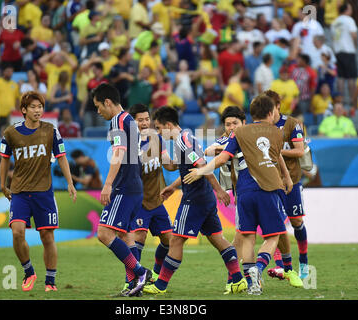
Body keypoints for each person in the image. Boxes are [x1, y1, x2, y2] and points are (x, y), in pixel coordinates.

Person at [183, 94, 294, 295]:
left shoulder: (238, 134)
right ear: (270, 113)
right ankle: (258, 270)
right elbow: (276, 157)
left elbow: (223, 156)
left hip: (243, 191)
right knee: (272, 237)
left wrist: (201, 170)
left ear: (249, 116)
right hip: (268, 187)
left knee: (247, 237)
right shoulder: (277, 133)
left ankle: (250, 284)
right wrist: (287, 177)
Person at [143, 106, 246, 295]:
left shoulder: (183, 141)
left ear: (167, 125)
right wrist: (173, 185)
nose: (157, 132)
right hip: (203, 197)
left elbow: (201, 165)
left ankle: (160, 286)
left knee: (175, 241)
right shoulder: (184, 138)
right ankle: (238, 280)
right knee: (218, 239)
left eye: (158, 128)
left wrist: (219, 190)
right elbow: (178, 166)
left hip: (195, 198)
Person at [0, 91, 77, 292]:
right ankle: (28, 271)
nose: (38, 110)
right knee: (17, 232)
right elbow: (4, 158)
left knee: (47, 237)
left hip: (44, 192)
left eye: (40, 106)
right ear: (23, 110)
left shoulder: (51, 130)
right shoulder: (10, 133)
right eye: (33, 107)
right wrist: (2, 184)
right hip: (20, 191)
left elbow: (61, 157)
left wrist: (70, 182)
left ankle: (50, 281)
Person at [92, 83, 152, 297]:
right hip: (135, 185)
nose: (98, 111)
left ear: (108, 102)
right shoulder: (129, 120)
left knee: (104, 233)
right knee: (126, 235)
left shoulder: (118, 120)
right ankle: (133, 285)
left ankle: (140, 272)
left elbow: (119, 152)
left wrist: (107, 184)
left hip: (124, 186)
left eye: (98, 106)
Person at [126, 103, 177, 294]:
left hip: (156, 201)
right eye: (141, 120)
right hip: (138, 201)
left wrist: (185, 161)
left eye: (147, 119)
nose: (145, 123)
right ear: (132, 122)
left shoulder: (156, 139)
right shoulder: (129, 144)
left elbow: (168, 164)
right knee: (139, 237)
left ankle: (154, 274)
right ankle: (130, 282)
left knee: (168, 240)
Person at [265, 89, 309, 281]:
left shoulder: (292, 124)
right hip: (270, 182)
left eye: (271, 109)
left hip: (291, 181)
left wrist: (277, 152)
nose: (268, 113)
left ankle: (304, 262)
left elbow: (299, 151)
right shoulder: (260, 126)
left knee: (296, 222)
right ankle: (281, 265)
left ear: (278, 107)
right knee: (275, 222)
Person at [331, 3, 358, 102]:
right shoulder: (349, 20)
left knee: (340, 77)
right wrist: (355, 45)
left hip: (338, 52)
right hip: (349, 51)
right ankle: (352, 100)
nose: (351, 10)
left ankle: (340, 100)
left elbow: (333, 37)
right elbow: (354, 35)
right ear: (346, 9)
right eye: (350, 8)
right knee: (351, 77)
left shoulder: (335, 22)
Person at [0, 65, 19, 131]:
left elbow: (17, 99)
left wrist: (17, 111)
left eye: (11, 71)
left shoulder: (15, 85)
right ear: (3, 72)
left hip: (10, 115)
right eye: (8, 71)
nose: (10, 73)